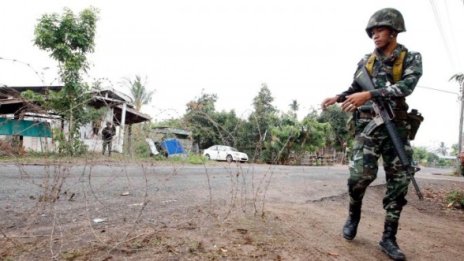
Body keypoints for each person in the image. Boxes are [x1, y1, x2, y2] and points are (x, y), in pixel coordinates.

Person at [321, 8, 422, 261]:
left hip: (396, 127)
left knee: (400, 181)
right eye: (373, 32)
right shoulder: (366, 62)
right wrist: (339, 97)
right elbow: (355, 87)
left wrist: (371, 95)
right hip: (368, 127)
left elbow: (406, 87)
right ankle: (353, 214)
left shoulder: (410, 57)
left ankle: (388, 238)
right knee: (360, 176)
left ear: (394, 31)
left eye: (380, 30)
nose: (375, 35)